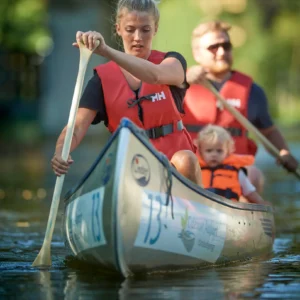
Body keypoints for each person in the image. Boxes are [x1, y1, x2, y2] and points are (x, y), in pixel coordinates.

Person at [51, 0, 202, 186]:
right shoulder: (101, 80)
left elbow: (155, 76)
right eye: (130, 29)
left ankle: (192, 209)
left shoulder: (172, 62)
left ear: (155, 29)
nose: (137, 37)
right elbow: (77, 127)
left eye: (145, 30)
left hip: (175, 165)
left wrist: (105, 50)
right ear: (118, 29)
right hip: (132, 167)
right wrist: (60, 152)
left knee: (186, 159)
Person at [183, 20, 298, 194]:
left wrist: (284, 153)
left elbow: (268, 131)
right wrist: (181, 80)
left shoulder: (252, 91)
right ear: (197, 54)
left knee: (254, 175)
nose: (221, 52)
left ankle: (245, 209)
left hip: (235, 174)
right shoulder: (177, 85)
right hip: (193, 172)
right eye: (213, 47)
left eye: (226, 46)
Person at [195, 124, 266, 204]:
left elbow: (251, 193)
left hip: (228, 209)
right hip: (202, 207)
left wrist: (263, 204)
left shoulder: (237, 172)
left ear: (227, 151)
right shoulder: (196, 171)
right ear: (200, 151)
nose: (214, 155)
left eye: (219, 151)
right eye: (209, 151)